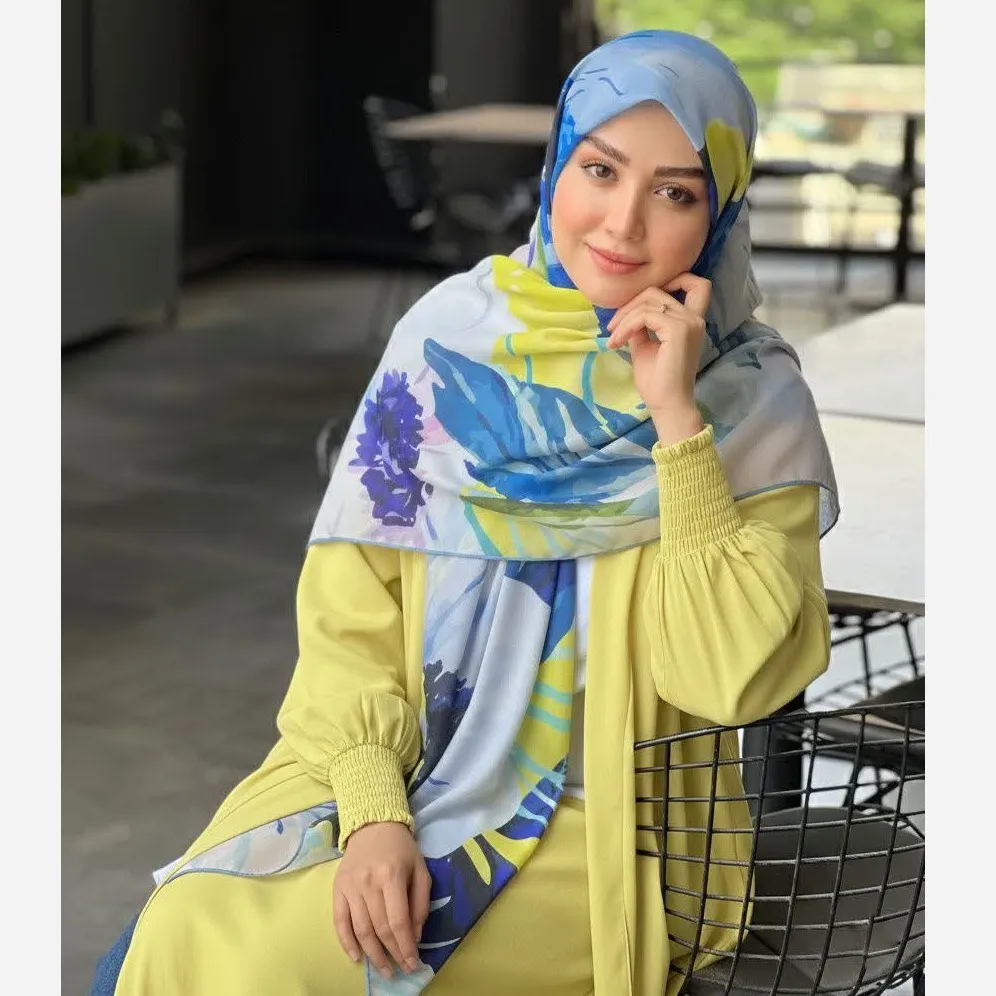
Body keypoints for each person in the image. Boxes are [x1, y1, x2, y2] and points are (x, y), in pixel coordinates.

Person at [92, 28, 838, 996]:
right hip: (397, 771)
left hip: (609, 829)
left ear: (721, 210)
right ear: (556, 167)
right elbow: (349, 617)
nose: (622, 222)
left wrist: (677, 424)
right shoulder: (447, 343)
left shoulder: (754, 403)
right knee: (186, 923)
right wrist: (374, 813)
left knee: (251, 959)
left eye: (675, 193)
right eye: (600, 170)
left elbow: (730, 677)